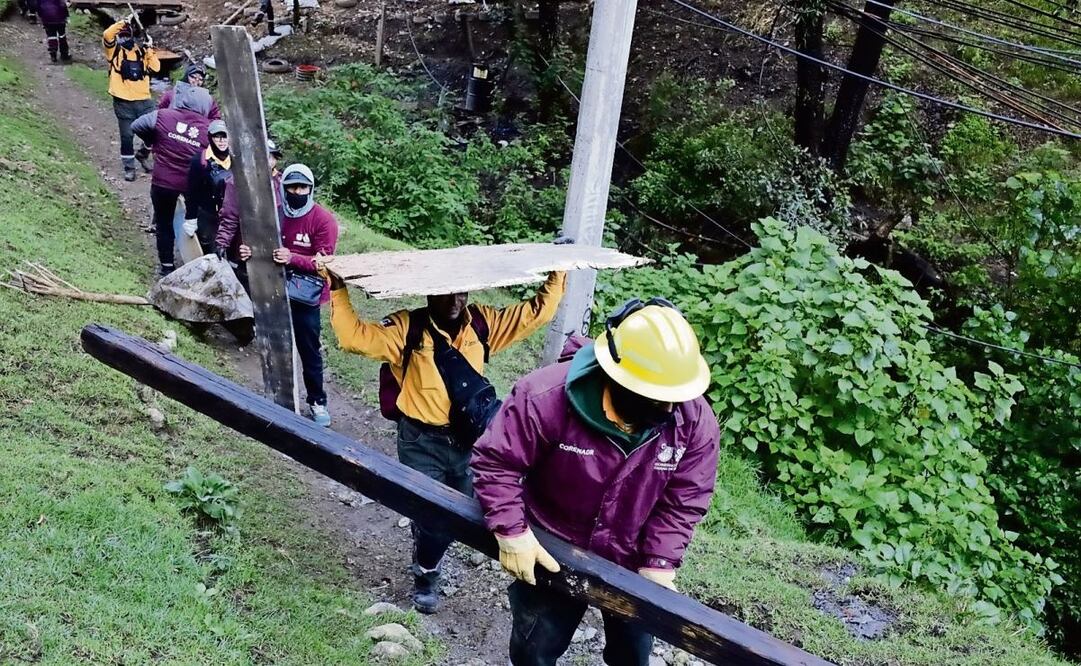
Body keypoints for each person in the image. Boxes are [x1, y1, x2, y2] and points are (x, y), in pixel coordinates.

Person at [470, 299, 721, 666]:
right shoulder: (545, 397)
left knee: (633, 657)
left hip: (631, 560)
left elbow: (684, 500)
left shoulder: (694, 422)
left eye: (675, 398)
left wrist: (658, 562)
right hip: (551, 545)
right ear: (615, 376)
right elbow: (496, 461)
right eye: (656, 398)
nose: (669, 410)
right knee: (534, 649)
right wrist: (512, 531)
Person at [323, 261, 566, 614]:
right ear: (429, 293)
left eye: (461, 292)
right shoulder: (407, 328)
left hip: (469, 439)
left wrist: (557, 272)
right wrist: (338, 290)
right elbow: (353, 337)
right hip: (421, 441)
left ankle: (428, 542)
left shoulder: (482, 324)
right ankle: (426, 573)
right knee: (433, 515)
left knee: (461, 511)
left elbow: (535, 313)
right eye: (446, 292)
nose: (455, 300)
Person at [235, 165, 338, 424]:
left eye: (302, 187)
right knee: (274, 343)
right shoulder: (274, 214)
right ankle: (278, 397)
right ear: (283, 188)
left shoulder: (323, 220)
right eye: (292, 187)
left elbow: (325, 261)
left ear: (311, 189)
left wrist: (293, 258)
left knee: (309, 350)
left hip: (306, 295)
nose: (297, 192)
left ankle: (317, 401)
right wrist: (246, 252)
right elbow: (257, 244)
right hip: (274, 291)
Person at [131, 85, 213, 276]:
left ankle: (166, 267)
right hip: (191, 186)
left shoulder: (163, 116)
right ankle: (200, 263)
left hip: (163, 182)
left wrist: (152, 141)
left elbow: (136, 125)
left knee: (164, 223)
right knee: (195, 222)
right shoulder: (208, 128)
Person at [216, 139, 284, 290]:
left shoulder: (281, 182)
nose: (269, 161)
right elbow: (229, 215)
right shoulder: (237, 182)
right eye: (265, 156)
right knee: (244, 286)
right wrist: (222, 242)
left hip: (275, 248)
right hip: (245, 247)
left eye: (272, 157)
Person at [103, 18, 160, 182]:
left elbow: (156, 67)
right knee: (127, 136)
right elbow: (107, 34)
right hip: (123, 102)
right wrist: (124, 21)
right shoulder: (114, 52)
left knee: (154, 132)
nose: (124, 39)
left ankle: (142, 154)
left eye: (127, 36)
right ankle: (129, 168)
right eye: (122, 36)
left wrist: (149, 48)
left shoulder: (141, 52)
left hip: (144, 101)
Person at [182, 120, 231, 253]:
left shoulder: (236, 159)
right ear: (210, 138)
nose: (222, 141)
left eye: (225, 136)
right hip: (208, 214)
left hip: (231, 215)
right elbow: (192, 192)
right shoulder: (200, 161)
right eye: (217, 137)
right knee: (210, 250)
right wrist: (190, 218)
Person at [158, 63, 222, 120]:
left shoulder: (208, 100)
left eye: (200, 79)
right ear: (186, 76)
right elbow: (160, 112)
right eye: (193, 77)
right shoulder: (171, 94)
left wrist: (204, 126)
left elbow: (215, 118)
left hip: (197, 130)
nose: (196, 81)